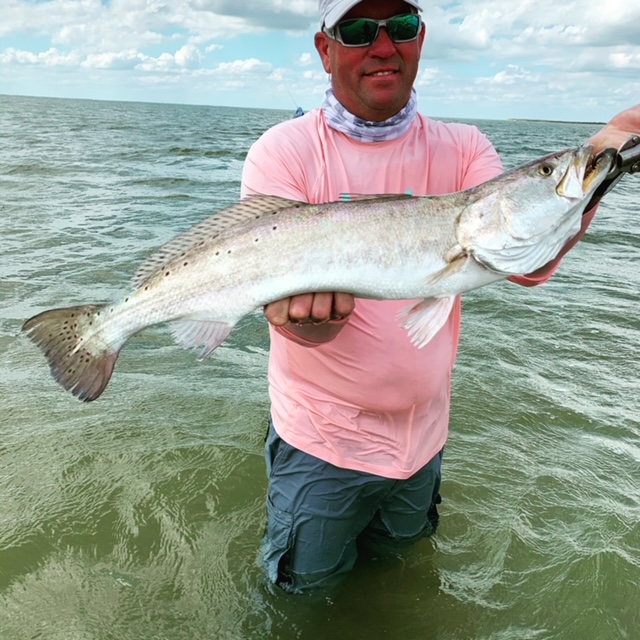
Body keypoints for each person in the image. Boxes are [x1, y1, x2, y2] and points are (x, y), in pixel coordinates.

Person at [241, 0, 640, 593]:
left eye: (400, 26)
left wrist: (602, 167)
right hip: (322, 444)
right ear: (326, 51)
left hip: (424, 442)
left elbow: (525, 263)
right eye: (357, 30)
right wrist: (308, 324)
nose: (383, 46)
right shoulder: (283, 152)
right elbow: (291, 321)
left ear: (421, 39)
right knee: (305, 599)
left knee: (400, 580)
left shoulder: (466, 150)